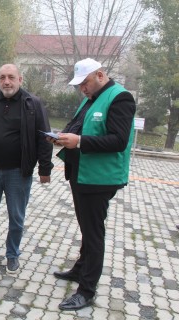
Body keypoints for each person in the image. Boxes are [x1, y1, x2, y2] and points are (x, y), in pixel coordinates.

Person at [49, 58, 136, 311]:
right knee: (87, 227)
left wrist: (79, 142)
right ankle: (79, 270)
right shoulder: (91, 99)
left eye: (84, 83)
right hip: (81, 173)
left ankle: (86, 290)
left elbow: (118, 141)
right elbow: (76, 127)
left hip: (99, 178)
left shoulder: (120, 98)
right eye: (79, 85)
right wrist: (62, 138)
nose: (82, 89)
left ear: (99, 75)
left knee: (93, 233)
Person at [0, 64, 53, 274]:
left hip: (18, 172)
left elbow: (45, 138)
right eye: (2, 78)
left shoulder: (32, 104)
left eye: (11, 77)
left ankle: (12, 254)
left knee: (16, 216)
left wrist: (45, 169)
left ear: (20, 79)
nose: (7, 82)